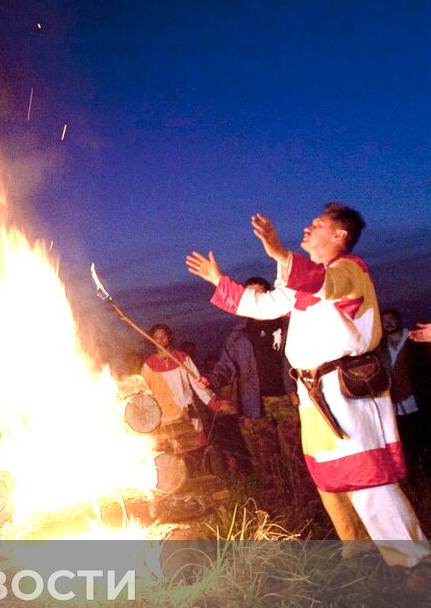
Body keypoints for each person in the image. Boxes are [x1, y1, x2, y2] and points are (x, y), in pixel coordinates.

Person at [187, 204, 431, 586]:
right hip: (316, 397)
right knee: (331, 482)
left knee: (367, 480)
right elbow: (266, 305)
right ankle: (361, 560)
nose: (307, 227)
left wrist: (281, 253)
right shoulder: (305, 283)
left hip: (346, 395)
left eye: (317, 225)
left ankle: (415, 567)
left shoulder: (350, 270)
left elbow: (322, 284)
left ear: (338, 237)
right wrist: (219, 279)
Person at [205, 277, 302, 483]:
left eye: (259, 293)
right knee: (265, 459)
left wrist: (299, 389)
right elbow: (226, 366)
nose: (254, 297)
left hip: (288, 399)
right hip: (253, 404)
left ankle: (309, 509)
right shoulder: (239, 335)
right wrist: (210, 381)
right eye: (249, 293)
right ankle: (276, 507)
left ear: (268, 296)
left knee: (298, 455)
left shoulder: (288, 326)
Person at [139, 324, 231, 472]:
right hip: (164, 419)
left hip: (187, 413)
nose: (160, 340)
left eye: (163, 337)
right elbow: (144, 392)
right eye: (156, 338)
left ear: (169, 337)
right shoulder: (149, 365)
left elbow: (198, 384)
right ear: (152, 340)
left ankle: (205, 487)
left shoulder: (182, 358)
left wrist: (215, 403)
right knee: (174, 460)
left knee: (196, 454)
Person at [379, 309, 428, 487]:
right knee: (407, 448)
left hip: (419, 402)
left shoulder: (414, 340)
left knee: (424, 440)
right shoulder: (380, 348)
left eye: (392, 319)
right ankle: (416, 483)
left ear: (399, 320)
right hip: (396, 409)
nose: (389, 323)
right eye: (385, 321)